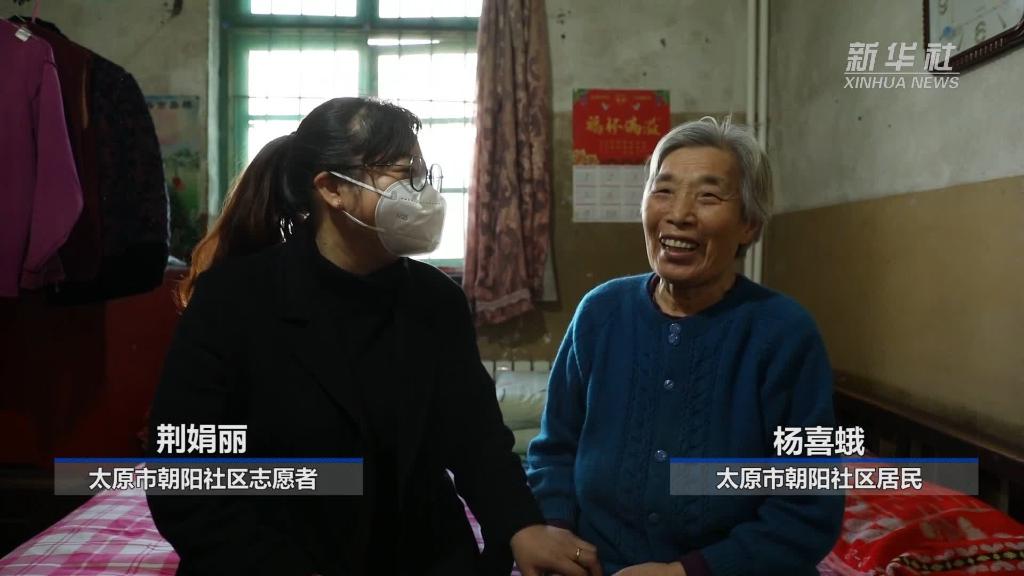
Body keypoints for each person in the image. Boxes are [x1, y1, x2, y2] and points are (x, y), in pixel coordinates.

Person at [146, 97, 603, 576]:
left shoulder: (436, 300)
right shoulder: (235, 300)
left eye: (423, 175)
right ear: (332, 189)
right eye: (404, 175)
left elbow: (476, 438)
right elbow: (184, 476)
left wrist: (520, 525)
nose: (423, 194)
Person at [527, 117, 844, 576]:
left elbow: (808, 508)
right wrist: (555, 528)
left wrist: (688, 572)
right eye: (664, 190)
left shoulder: (784, 334)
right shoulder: (600, 313)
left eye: (708, 197)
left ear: (749, 225)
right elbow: (555, 448)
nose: (679, 214)